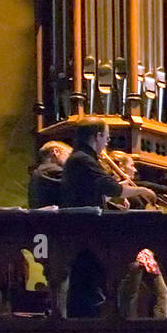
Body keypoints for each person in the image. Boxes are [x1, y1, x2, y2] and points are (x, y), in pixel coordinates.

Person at [58, 120, 154, 318]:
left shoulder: (81, 159)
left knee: (89, 287)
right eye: (107, 137)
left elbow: (94, 190)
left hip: (84, 232)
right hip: (84, 232)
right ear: (97, 136)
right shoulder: (82, 159)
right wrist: (142, 190)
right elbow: (111, 187)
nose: (107, 143)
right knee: (88, 288)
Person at [28, 141, 71, 208]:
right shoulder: (52, 171)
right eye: (68, 155)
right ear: (56, 152)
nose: (69, 160)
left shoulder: (39, 172)